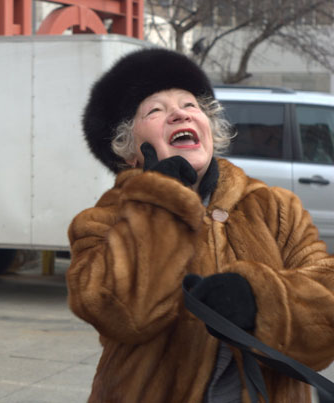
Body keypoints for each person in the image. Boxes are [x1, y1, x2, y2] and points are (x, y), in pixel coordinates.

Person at [66, 47, 334, 402]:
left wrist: (261, 301)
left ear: (210, 127)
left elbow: (327, 301)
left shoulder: (276, 207)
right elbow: (121, 314)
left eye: (190, 105)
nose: (179, 113)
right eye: (156, 110)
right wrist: (158, 201)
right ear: (129, 149)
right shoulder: (101, 221)